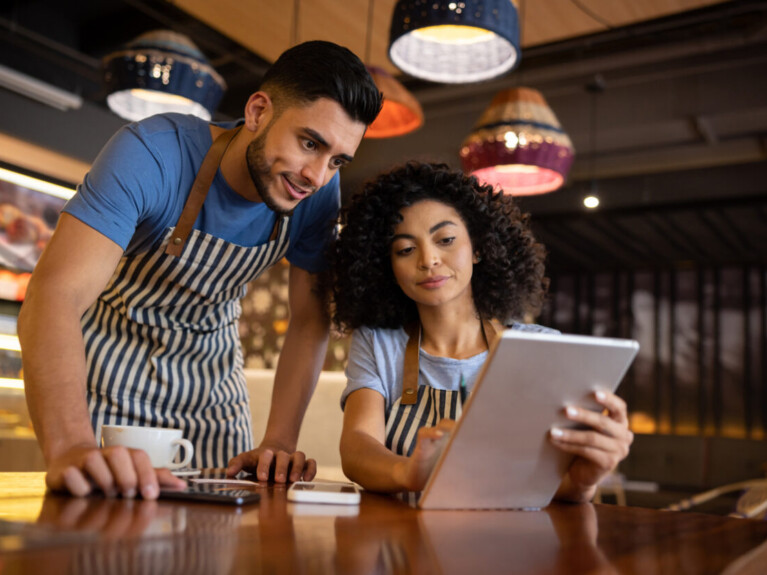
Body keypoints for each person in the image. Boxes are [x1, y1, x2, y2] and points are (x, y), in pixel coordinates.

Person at [18, 40, 382, 499]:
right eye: (310, 143)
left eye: (337, 161)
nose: (317, 176)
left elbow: (309, 321)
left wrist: (278, 443)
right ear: (258, 112)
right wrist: (71, 444)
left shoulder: (317, 197)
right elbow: (54, 294)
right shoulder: (150, 154)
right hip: (107, 382)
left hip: (212, 393)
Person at [328, 162, 633, 503]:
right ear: (387, 266)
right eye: (405, 249)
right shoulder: (378, 343)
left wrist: (581, 483)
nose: (428, 260)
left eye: (445, 239)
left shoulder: (538, 347)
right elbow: (357, 445)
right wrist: (409, 472)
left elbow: (548, 483)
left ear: (478, 249)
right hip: (405, 546)